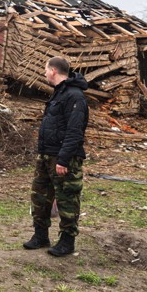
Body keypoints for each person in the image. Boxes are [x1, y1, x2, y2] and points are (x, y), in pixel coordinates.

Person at [23, 56, 89, 257]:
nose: (44, 73)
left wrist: (63, 159)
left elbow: (75, 131)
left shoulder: (75, 96)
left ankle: (67, 241)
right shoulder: (58, 94)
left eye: (45, 69)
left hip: (62, 158)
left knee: (67, 199)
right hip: (46, 155)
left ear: (53, 71)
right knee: (40, 196)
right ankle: (40, 236)